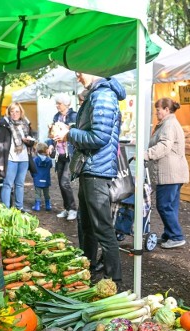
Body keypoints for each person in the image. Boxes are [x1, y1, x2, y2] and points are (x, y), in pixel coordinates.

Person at [51, 72, 126, 283]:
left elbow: (99, 137)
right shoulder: (95, 94)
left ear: (91, 70)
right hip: (90, 168)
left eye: (79, 72)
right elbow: (92, 130)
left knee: (101, 227)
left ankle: (114, 280)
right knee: (86, 226)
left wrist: (69, 134)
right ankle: (88, 269)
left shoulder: (102, 95)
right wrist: (70, 130)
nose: (77, 77)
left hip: (97, 170)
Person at [144, 97, 189, 249]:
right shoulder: (168, 123)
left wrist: (147, 154)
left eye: (158, 110)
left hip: (169, 173)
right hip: (175, 172)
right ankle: (169, 234)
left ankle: (176, 236)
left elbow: (164, 145)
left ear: (167, 110)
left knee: (163, 206)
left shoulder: (168, 124)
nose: (156, 113)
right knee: (171, 206)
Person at [0, 102, 34, 210]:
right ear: (9, 112)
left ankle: (19, 207)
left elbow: (31, 139)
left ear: (21, 112)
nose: (15, 114)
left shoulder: (25, 123)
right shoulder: (4, 123)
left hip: (24, 158)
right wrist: (0, 162)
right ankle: (6, 209)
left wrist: (29, 141)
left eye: (17, 111)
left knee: (20, 184)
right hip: (10, 158)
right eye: (12, 111)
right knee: (7, 184)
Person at [48, 94, 78, 221]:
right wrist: (50, 144)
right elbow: (51, 134)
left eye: (59, 103)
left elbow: (76, 132)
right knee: (60, 183)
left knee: (64, 182)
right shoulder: (56, 116)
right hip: (59, 154)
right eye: (56, 103)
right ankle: (67, 209)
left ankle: (73, 209)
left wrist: (67, 127)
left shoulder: (74, 116)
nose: (57, 106)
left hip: (69, 153)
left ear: (66, 104)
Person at [31, 142, 53, 211]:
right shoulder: (49, 160)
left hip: (37, 179)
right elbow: (51, 166)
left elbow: (33, 169)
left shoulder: (35, 160)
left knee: (38, 193)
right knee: (46, 193)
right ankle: (48, 205)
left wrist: (33, 176)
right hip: (46, 179)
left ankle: (37, 206)